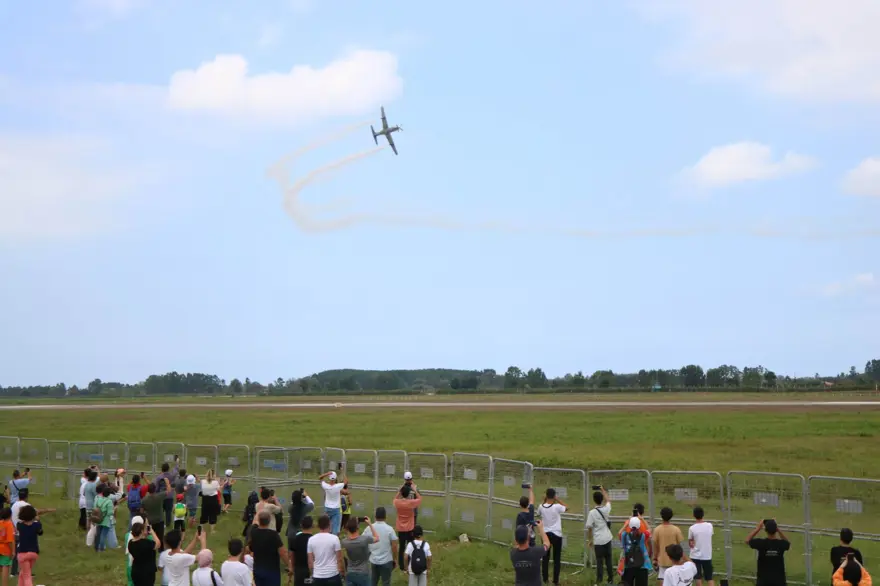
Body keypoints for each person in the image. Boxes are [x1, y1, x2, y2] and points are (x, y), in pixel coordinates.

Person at [249, 510, 292, 586]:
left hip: (257, 569)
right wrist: (289, 565)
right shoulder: (274, 535)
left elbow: (251, 548)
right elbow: (282, 552)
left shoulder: (254, 533)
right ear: (269, 521)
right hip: (272, 571)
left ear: (259, 520)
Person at [746, 519, 791, 586]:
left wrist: (758, 528)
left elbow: (747, 540)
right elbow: (787, 543)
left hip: (763, 581)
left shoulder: (761, 543)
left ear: (765, 530)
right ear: (776, 530)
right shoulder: (781, 544)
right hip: (779, 581)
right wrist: (778, 530)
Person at [537, 487, 567, 586]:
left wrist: (544, 500)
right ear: (554, 496)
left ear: (546, 495)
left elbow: (538, 513)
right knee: (556, 558)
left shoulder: (541, 506)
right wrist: (557, 499)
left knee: (545, 557)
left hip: (545, 534)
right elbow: (566, 508)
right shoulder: (557, 507)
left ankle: (545, 579)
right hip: (556, 534)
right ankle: (555, 581)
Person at [586, 485, 613, 586]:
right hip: (607, 538)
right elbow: (608, 500)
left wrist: (590, 539)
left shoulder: (592, 513)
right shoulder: (606, 509)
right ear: (602, 500)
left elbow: (589, 527)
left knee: (599, 561)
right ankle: (610, 579)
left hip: (598, 540)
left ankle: (599, 579)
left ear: (594, 500)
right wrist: (602, 489)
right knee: (608, 560)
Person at [342, 515, 379, 586]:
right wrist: (370, 524)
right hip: (363, 573)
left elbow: (348, 534)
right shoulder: (364, 539)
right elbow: (377, 538)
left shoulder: (344, 542)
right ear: (357, 528)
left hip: (350, 573)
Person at [511, 519, 550, 586]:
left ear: (516, 539)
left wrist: (523, 531)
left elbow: (517, 545)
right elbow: (547, 544)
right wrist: (541, 529)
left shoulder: (513, 553)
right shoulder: (536, 552)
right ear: (528, 538)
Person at [308, 514, 344, 585]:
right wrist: (342, 572)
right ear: (329, 524)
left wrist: (313, 573)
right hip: (333, 575)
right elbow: (339, 559)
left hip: (317, 576)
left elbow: (310, 562)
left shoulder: (311, 540)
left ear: (318, 526)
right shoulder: (334, 538)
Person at [366, 507, 398, 586]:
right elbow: (394, 545)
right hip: (386, 561)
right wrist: (395, 559)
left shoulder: (368, 528)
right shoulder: (390, 529)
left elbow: (363, 541)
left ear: (375, 516)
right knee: (386, 583)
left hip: (373, 560)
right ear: (385, 516)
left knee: (373, 582)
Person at [394, 484, 422, 571]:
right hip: (410, 528)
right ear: (409, 494)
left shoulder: (397, 502)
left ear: (402, 493)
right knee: (410, 546)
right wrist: (415, 490)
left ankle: (401, 565)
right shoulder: (411, 503)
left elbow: (395, 499)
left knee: (402, 547)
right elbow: (420, 499)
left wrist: (400, 491)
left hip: (400, 528)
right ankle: (409, 563)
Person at [652, 507, 683, 584]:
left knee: (663, 581)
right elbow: (679, 546)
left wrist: (655, 558)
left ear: (661, 516)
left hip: (662, 561)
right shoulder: (676, 529)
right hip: (674, 561)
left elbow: (655, 546)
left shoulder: (657, 530)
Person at [128, 521, 161, 586]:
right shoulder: (147, 543)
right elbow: (158, 544)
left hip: (136, 571)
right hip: (147, 573)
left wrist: (144, 535)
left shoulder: (131, 543)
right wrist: (152, 532)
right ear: (141, 531)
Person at [142, 478, 172, 550]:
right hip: (159, 520)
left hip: (150, 521)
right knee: (160, 537)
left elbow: (142, 511)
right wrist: (167, 482)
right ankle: (161, 550)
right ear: (155, 489)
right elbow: (169, 491)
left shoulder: (144, 500)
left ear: (148, 490)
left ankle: (150, 548)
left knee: (150, 537)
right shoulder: (159, 496)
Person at [14, 505, 40, 586]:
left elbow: (20, 521)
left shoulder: (20, 525)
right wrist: (37, 518)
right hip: (33, 553)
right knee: (23, 573)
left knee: (26, 576)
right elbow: (40, 532)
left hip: (23, 553)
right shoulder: (37, 525)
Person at [621, 517, 652, 586]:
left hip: (627, 564)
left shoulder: (624, 535)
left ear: (629, 525)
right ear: (639, 526)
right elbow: (650, 529)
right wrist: (642, 519)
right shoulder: (644, 535)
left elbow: (619, 533)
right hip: (642, 565)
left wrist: (626, 524)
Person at [688, 506, 714, 586]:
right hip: (707, 555)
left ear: (694, 515)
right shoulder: (709, 525)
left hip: (695, 555)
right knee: (709, 577)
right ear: (703, 514)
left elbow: (690, 543)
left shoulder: (692, 528)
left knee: (698, 577)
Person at [318, 470, 348, 536]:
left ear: (329, 478)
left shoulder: (326, 486)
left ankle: (326, 536)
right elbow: (346, 481)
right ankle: (334, 538)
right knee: (335, 526)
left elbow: (320, 478)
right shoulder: (338, 486)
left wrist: (327, 473)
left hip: (327, 508)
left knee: (326, 524)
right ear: (335, 478)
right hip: (336, 508)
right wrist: (342, 471)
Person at [154, 457, 181, 527]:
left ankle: (160, 522)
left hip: (161, 496)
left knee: (160, 511)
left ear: (162, 469)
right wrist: (177, 462)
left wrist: (156, 494)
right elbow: (176, 470)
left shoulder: (159, 477)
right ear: (168, 469)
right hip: (170, 496)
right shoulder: (172, 475)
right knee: (168, 511)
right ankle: (168, 524)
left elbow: (156, 487)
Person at [287, 488, 315, 554]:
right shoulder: (305, 507)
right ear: (301, 498)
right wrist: (306, 496)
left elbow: (293, 503)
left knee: (291, 553)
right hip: (300, 534)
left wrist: (297, 497)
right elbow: (312, 504)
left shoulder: (290, 508)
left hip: (291, 534)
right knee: (301, 553)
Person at [291, 516, 314, 586]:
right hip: (310, 571)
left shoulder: (295, 538)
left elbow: (292, 555)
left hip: (299, 571)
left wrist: (292, 568)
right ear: (312, 526)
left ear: (301, 525)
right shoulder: (313, 539)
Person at [93, 484, 115, 552]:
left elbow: (94, 507)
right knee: (103, 535)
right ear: (109, 494)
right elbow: (110, 513)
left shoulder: (98, 499)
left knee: (98, 534)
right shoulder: (109, 501)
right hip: (106, 521)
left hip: (98, 519)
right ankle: (102, 549)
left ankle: (96, 548)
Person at [200, 470, 221, 535]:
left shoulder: (202, 481)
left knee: (204, 514)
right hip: (213, 499)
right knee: (213, 514)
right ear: (213, 475)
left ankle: (202, 530)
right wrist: (217, 481)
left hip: (205, 499)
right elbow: (219, 490)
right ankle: (212, 530)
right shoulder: (215, 482)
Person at [0, 507, 14, 586]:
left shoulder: (0, 523)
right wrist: (12, 551)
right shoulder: (9, 524)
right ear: (10, 515)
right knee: (5, 567)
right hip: (5, 549)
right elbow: (9, 540)